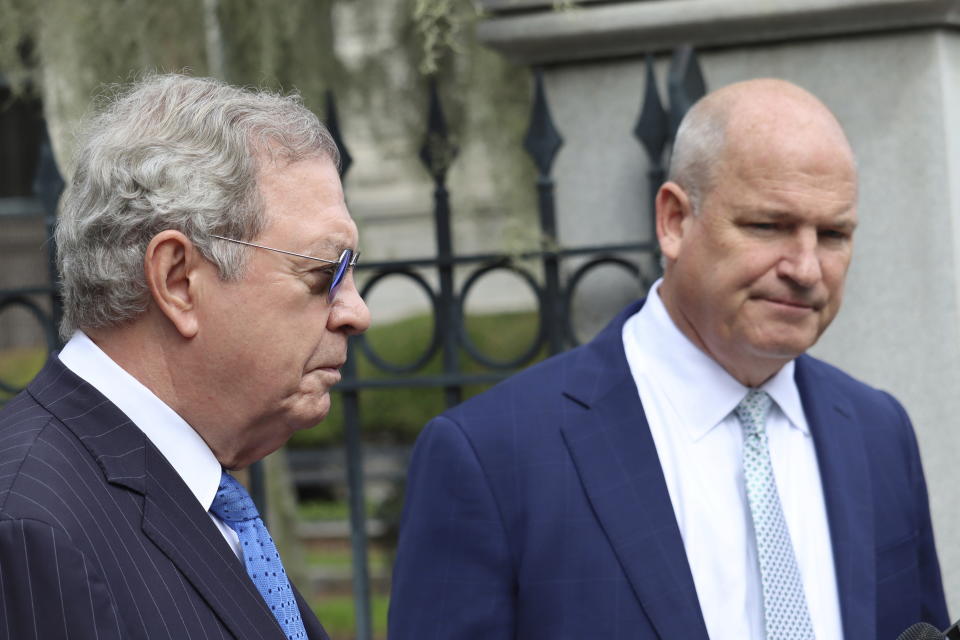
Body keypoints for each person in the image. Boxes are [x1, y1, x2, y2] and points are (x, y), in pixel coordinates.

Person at [388, 79, 948, 639]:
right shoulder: (494, 455)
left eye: (832, 234)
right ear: (674, 221)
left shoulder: (878, 431)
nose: (805, 268)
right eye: (768, 226)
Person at [0, 74, 370, 639]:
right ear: (177, 281)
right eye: (326, 273)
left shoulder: (197, 496)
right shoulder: (32, 528)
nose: (356, 313)